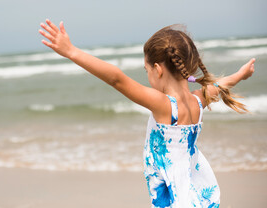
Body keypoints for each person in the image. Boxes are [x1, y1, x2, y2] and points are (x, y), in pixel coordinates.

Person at [38, 19, 255, 208]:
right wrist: (241, 74)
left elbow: (117, 79)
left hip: (175, 198)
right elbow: (221, 85)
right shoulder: (197, 100)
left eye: (147, 70)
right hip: (196, 191)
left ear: (158, 69)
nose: (148, 75)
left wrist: (71, 51)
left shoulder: (164, 105)